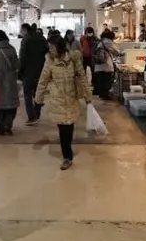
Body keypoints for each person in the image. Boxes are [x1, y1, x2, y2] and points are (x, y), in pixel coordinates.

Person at [35, 35, 92, 170]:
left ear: (59, 47)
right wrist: (38, 98)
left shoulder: (73, 58)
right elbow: (43, 80)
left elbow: (82, 76)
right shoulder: (50, 60)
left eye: (52, 47)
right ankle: (67, 156)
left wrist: (87, 95)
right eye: (49, 47)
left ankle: (67, 151)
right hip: (58, 99)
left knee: (69, 126)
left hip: (71, 98)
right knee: (62, 128)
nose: (50, 50)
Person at [0, 30, 20, 135]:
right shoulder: (12, 49)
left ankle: (0, 127)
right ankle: (8, 124)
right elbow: (16, 65)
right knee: (11, 104)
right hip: (10, 80)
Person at [18, 21, 48, 125]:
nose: (20, 32)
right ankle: (37, 114)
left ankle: (31, 117)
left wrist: (19, 72)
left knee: (27, 94)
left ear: (25, 30)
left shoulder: (25, 40)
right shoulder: (41, 37)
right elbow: (47, 50)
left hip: (28, 72)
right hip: (40, 70)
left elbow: (22, 58)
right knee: (38, 93)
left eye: (21, 30)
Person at [92, 30, 120, 100]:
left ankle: (101, 94)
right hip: (105, 64)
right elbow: (117, 51)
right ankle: (105, 95)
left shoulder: (100, 41)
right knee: (106, 80)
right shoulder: (108, 42)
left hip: (99, 64)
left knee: (101, 80)